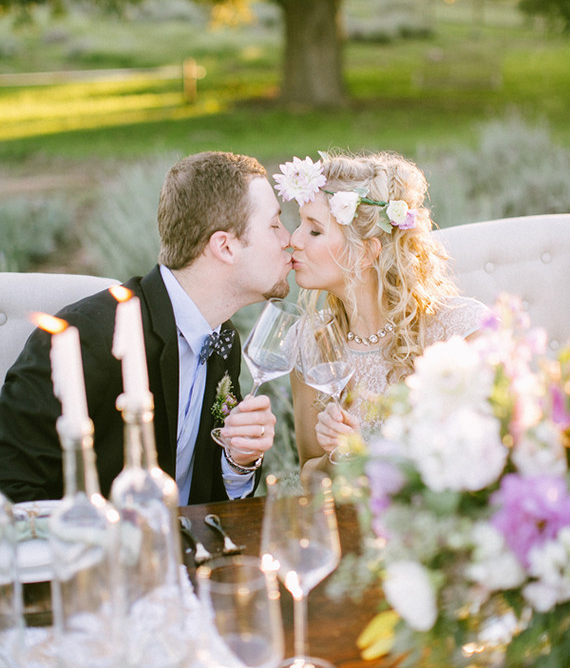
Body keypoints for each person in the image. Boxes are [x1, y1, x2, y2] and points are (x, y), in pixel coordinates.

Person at [0, 151, 292, 504]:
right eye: (275, 225)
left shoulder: (221, 337)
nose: (287, 239)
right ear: (225, 246)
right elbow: (12, 484)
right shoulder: (85, 339)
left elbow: (201, 497)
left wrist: (237, 461)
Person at [273, 150, 488, 480]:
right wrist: (337, 459)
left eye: (314, 231)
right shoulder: (309, 342)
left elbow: (482, 463)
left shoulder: (462, 335)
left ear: (365, 253)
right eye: (299, 224)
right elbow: (308, 473)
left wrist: (366, 455)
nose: (293, 240)